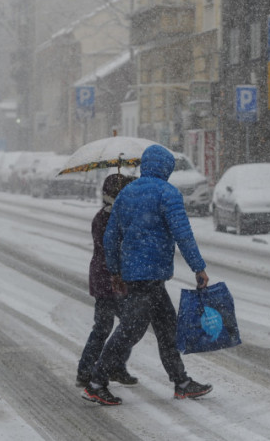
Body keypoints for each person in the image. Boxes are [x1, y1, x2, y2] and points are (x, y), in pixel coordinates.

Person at [82, 144, 212, 406]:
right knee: (131, 331)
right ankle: (96, 382)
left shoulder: (126, 194)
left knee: (166, 328)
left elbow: (111, 237)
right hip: (149, 277)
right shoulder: (168, 193)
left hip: (136, 274)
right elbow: (183, 234)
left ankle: (182, 382)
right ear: (165, 168)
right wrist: (198, 267)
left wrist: (116, 271)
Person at [75, 173, 139, 388]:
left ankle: (115, 367)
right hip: (110, 280)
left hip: (110, 279)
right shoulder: (105, 218)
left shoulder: (114, 216)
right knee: (110, 327)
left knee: (126, 326)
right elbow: (111, 249)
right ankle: (86, 371)